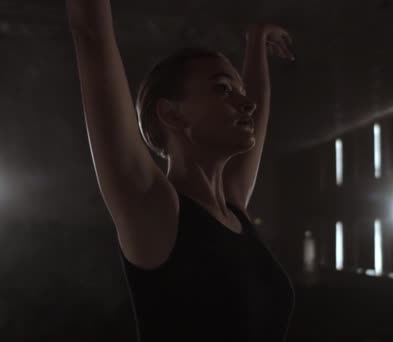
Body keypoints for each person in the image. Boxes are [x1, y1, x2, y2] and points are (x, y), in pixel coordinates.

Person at [66, 1, 296, 340]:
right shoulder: (154, 208)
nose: (246, 103)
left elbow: (255, 106)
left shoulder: (232, 208)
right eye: (222, 89)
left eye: (240, 92)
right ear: (172, 115)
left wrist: (256, 42)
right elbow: (92, 37)